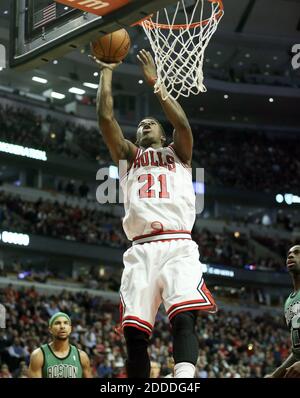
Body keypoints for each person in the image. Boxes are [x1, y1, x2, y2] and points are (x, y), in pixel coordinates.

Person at [94, 48, 216, 378]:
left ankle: (184, 381)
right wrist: (107, 69)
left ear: (163, 135)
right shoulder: (127, 157)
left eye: (152, 123)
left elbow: (183, 123)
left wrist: (156, 82)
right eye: (142, 125)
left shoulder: (180, 153)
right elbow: (106, 119)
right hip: (141, 249)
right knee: (135, 333)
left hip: (178, 244)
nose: (146, 124)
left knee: (184, 317)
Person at [265, 245, 300, 378]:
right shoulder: (288, 302)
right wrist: (275, 375)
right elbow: (297, 351)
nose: (291, 256)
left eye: (297, 253)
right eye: (289, 254)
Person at [28, 312, 92, 378]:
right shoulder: (38, 355)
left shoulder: (82, 356)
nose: (62, 326)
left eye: (65, 323)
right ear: (50, 329)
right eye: (57, 323)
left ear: (70, 329)